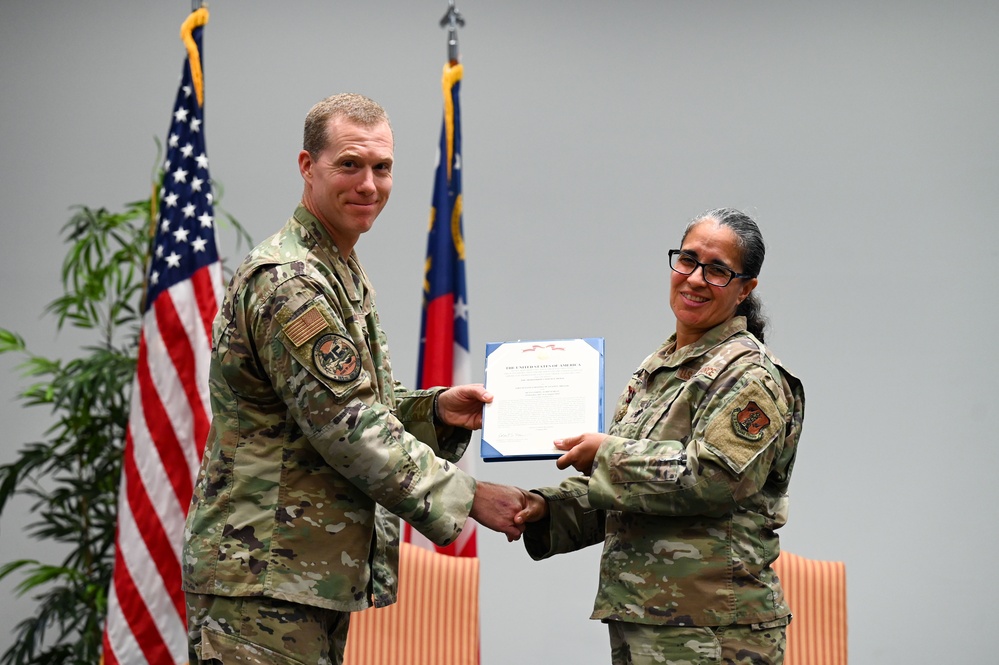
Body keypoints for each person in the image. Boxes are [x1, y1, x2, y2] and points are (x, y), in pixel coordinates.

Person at [182, 93, 524, 665]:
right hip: (263, 573)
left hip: (298, 574)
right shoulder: (292, 284)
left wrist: (436, 412)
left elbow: (337, 406)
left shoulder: (334, 267)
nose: (368, 184)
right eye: (349, 164)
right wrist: (467, 496)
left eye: (381, 167)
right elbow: (347, 426)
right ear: (306, 166)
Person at [515, 208, 805, 665]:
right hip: (647, 619)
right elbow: (629, 491)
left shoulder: (749, 375)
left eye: (717, 270)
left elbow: (713, 478)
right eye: (687, 260)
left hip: (714, 632)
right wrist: (543, 510)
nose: (694, 278)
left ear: (746, 288)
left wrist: (606, 455)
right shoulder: (661, 368)